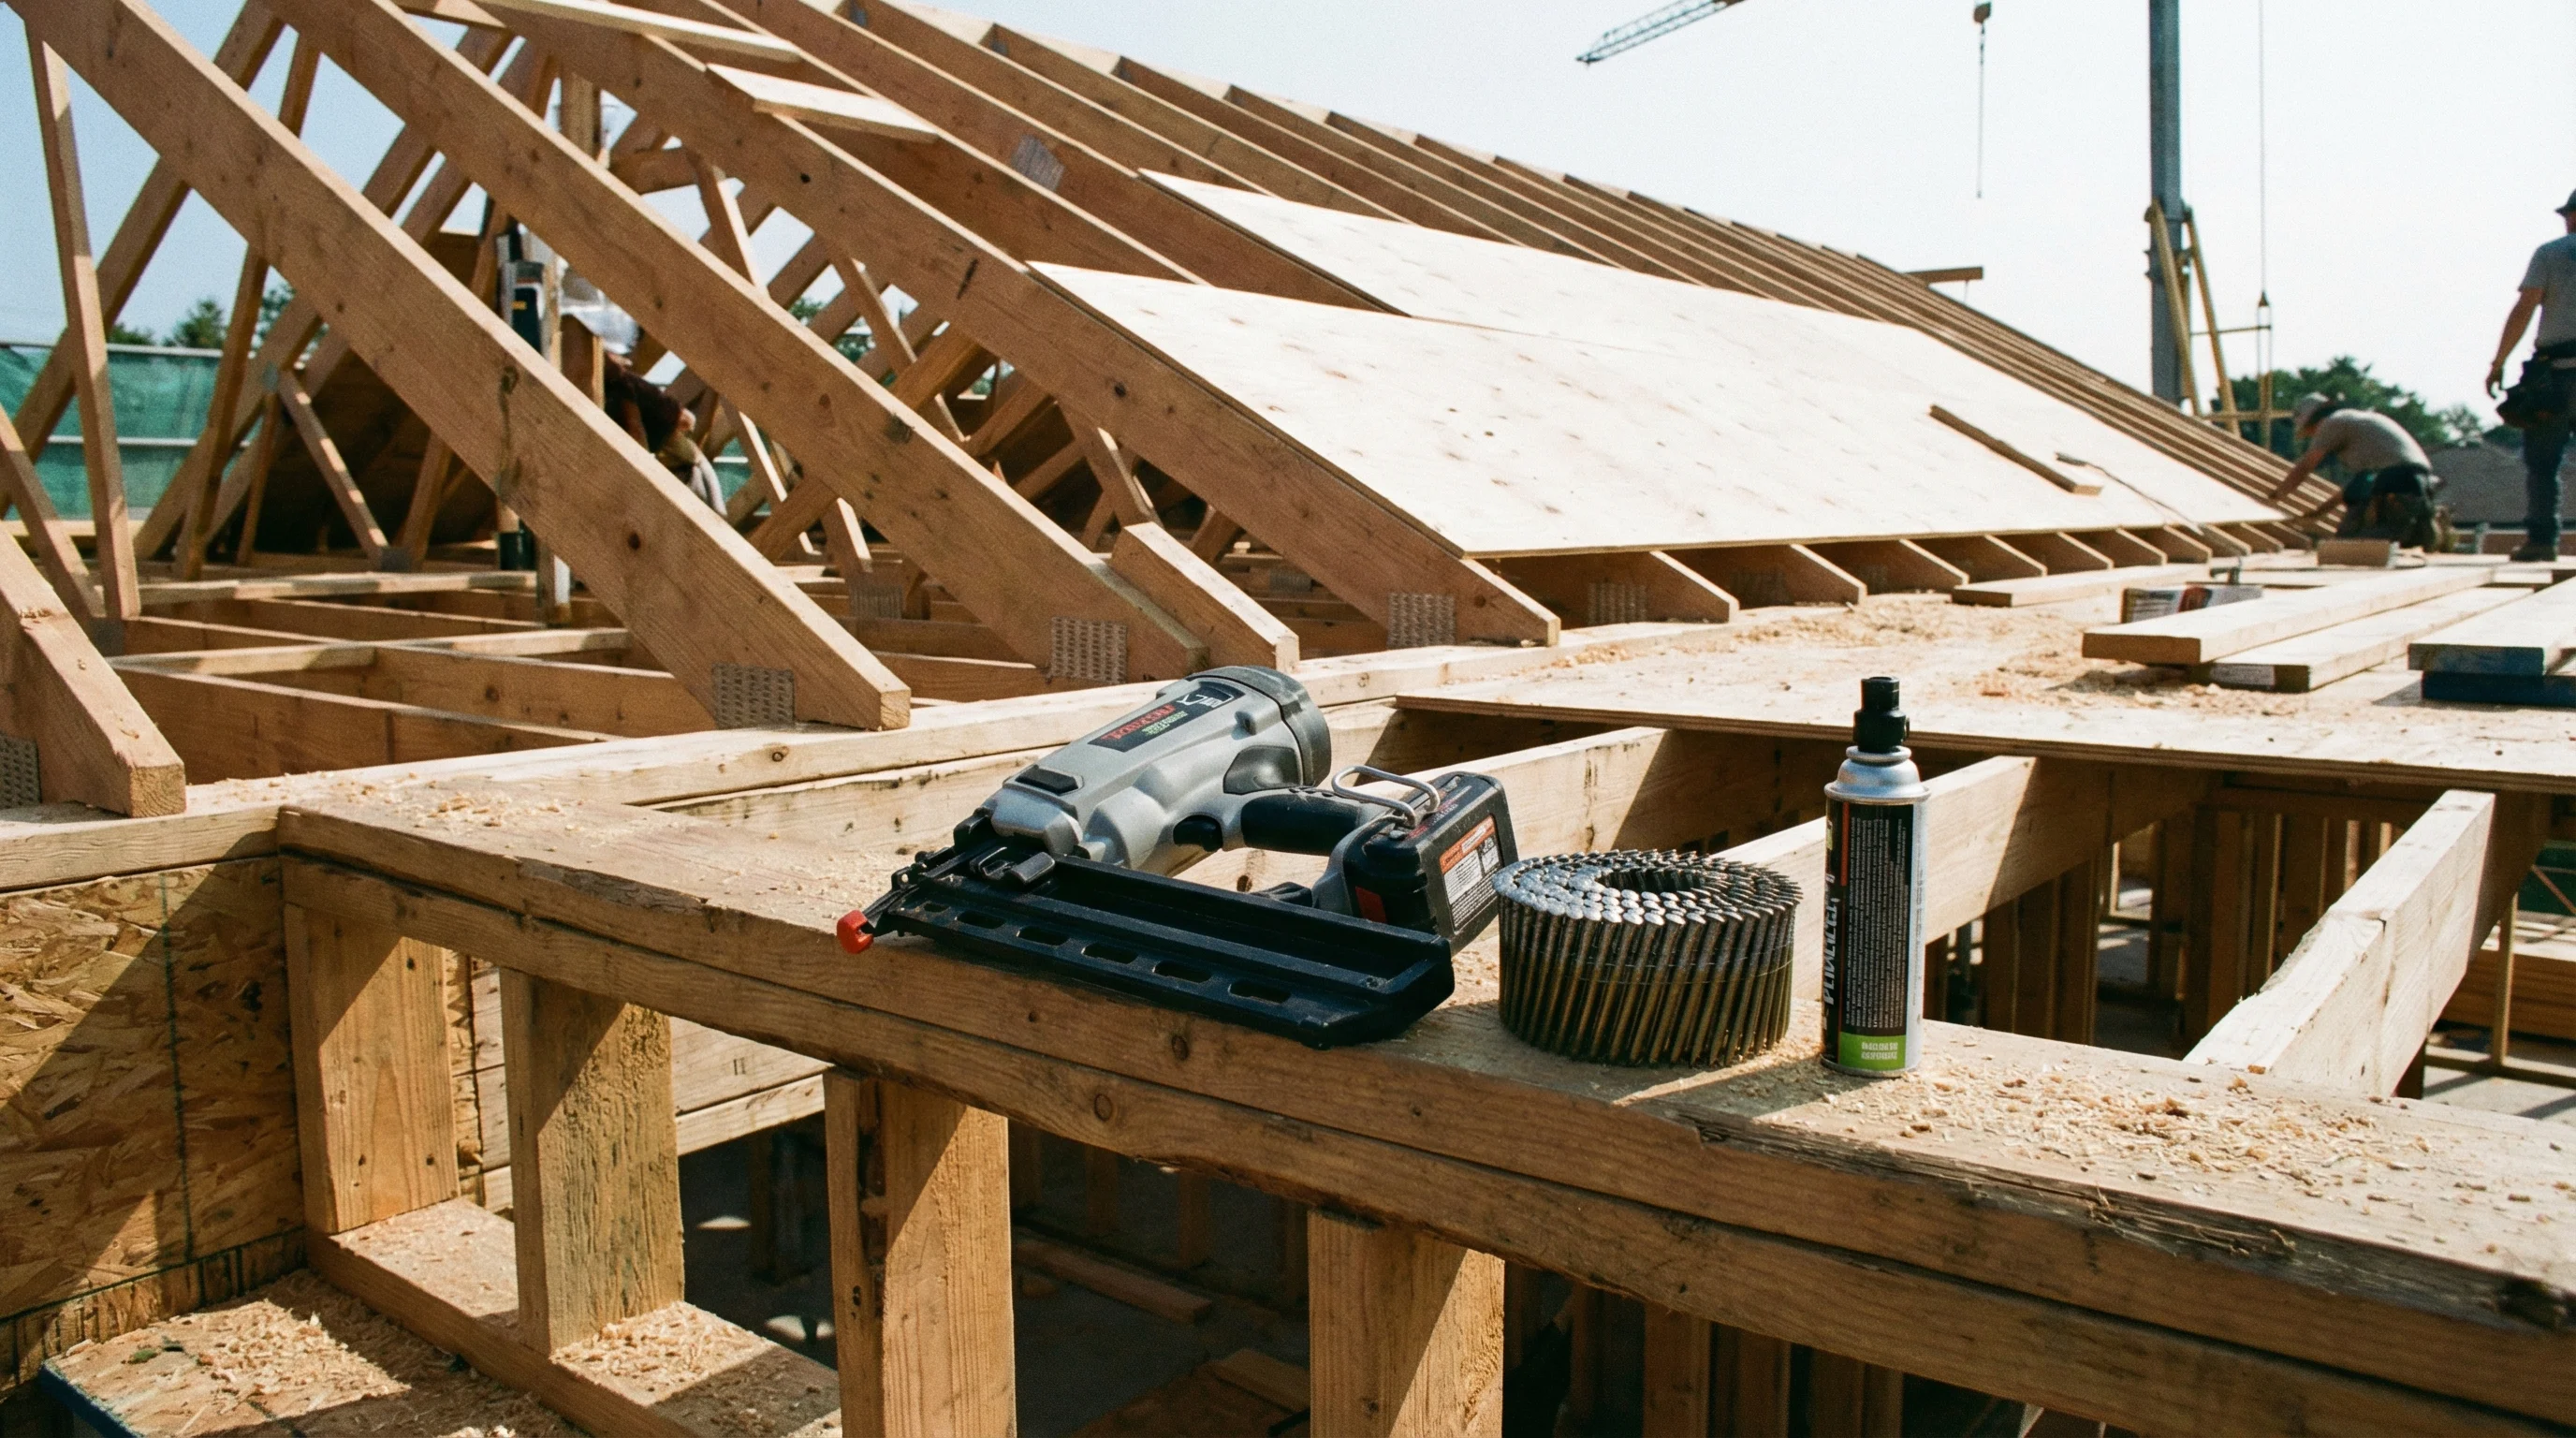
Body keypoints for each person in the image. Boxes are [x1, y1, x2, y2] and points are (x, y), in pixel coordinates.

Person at [2486, 188, 2576, 562]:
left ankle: (2541, 542)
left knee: (2542, 464)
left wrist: (2499, 362)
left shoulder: (2551, 253)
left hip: (2553, 377)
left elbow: (2525, 307)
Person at [2264, 393, 2446, 547]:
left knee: (2355, 542)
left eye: (2310, 431)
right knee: (2390, 533)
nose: (2312, 437)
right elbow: (2354, 487)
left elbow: (2305, 467)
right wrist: (2320, 512)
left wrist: (2278, 495)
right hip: (2419, 482)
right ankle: (2422, 525)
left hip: (2396, 481)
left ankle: (2414, 529)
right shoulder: (2358, 424)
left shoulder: (2333, 423)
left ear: (2313, 421)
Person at [603, 355, 724, 512]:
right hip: (688, 465)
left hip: (687, 469)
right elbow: (689, 421)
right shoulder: (632, 386)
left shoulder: (621, 390)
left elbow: (637, 431)